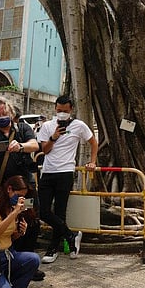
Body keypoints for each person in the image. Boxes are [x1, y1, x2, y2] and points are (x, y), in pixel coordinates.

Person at [0, 96, 45, 281]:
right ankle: (5, 262)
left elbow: (35, 145)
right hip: (3, 188)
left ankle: (28, 262)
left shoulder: (23, 128)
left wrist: (21, 146)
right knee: (5, 221)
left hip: (25, 186)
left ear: (10, 111)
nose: (1, 117)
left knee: (30, 220)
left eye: (4, 113)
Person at [37, 96, 98, 263]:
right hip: (48, 172)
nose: (62, 113)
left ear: (71, 110)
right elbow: (45, 150)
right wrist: (54, 137)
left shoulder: (79, 125)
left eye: (65, 111)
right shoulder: (47, 126)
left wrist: (92, 162)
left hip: (65, 172)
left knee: (60, 211)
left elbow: (93, 142)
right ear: (55, 109)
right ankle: (71, 235)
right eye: (59, 110)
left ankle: (53, 249)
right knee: (43, 211)